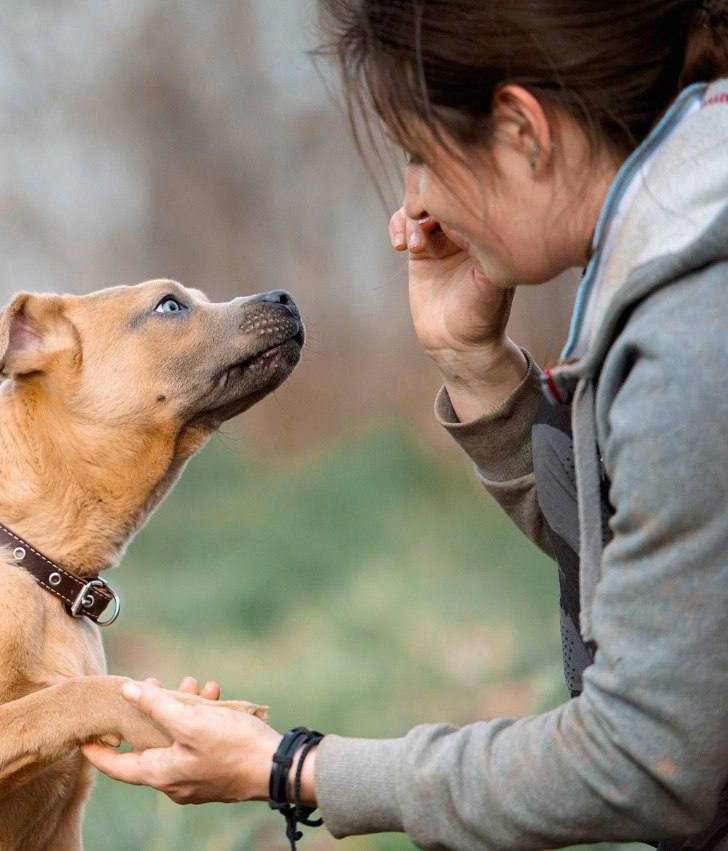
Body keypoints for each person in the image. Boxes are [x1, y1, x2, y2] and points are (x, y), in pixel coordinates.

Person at [80, 1, 728, 847]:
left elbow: (645, 762)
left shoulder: (692, 322)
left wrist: (292, 765)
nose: (414, 200)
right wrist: (473, 361)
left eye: (420, 155)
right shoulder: (686, 232)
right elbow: (662, 574)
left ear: (524, 130)